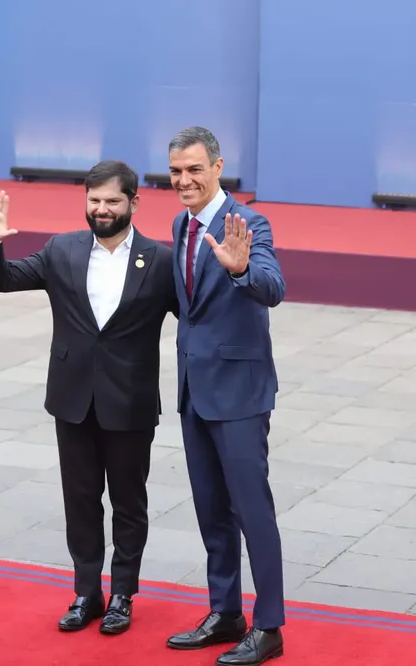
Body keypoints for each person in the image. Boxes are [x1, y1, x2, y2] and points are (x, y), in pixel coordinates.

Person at [0, 160, 178, 636]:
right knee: (81, 499)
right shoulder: (62, 249)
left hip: (129, 402)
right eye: (94, 201)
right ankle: (87, 591)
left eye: (111, 201)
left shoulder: (161, 260)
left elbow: (194, 315)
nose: (102, 209)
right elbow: (1, 279)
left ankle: (123, 594)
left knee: (129, 503)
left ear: (133, 202)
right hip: (72, 400)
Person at [162, 127, 287, 665]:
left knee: (251, 510)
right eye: (175, 172)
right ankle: (225, 611)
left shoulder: (249, 223)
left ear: (217, 167)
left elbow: (273, 287)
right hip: (194, 389)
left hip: (238, 392)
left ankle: (269, 626)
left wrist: (240, 270)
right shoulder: (178, 224)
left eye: (194, 169)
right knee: (211, 510)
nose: (184, 180)